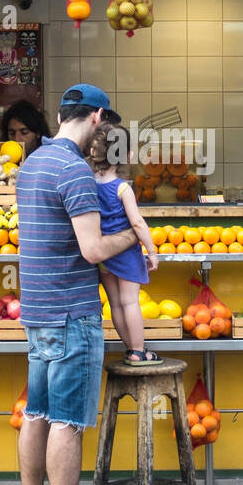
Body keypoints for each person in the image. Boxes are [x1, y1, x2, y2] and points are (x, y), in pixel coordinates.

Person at [15, 84, 137, 485]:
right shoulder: (73, 169)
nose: (103, 138)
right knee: (67, 421)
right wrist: (132, 236)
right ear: (97, 117)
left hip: (39, 312)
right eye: (105, 128)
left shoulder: (33, 163)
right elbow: (93, 250)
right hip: (71, 313)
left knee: (38, 414)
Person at [87, 121, 160, 366]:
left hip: (103, 254)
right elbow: (137, 223)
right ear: (127, 155)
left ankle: (130, 348)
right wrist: (151, 251)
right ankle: (139, 351)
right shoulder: (122, 189)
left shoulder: (88, 184)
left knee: (116, 304)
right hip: (126, 254)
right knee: (130, 302)